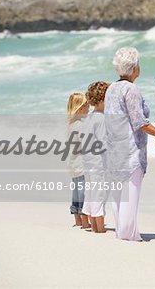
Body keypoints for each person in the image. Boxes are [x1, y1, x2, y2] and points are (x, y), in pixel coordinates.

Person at [105, 47, 155, 241]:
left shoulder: (111, 89)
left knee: (118, 196)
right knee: (130, 195)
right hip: (131, 150)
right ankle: (128, 235)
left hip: (114, 148)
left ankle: (123, 231)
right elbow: (139, 122)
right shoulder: (131, 89)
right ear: (134, 68)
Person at [81, 81, 109, 233]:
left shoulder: (90, 117)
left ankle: (93, 226)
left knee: (91, 192)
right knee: (100, 193)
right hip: (99, 163)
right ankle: (99, 228)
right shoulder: (102, 119)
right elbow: (104, 143)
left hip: (88, 161)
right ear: (102, 100)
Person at [66, 92, 90, 228]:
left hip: (72, 162)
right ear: (80, 108)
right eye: (86, 106)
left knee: (76, 190)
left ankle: (78, 220)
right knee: (83, 191)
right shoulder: (80, 125)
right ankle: (85, 221)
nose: (89, 108)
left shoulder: (71, 123)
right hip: (80, 162)